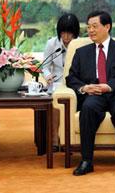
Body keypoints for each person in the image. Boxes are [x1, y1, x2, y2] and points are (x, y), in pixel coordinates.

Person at [66, 11, 115, 176]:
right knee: (88, 108)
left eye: (94, 26)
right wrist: (84, 88)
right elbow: (71, 77)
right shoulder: (81, 52)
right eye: (88, 27)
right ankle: (86, 161)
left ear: (107, 27)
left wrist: (109, 86)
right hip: (94, 94)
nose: (90, 30)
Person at [42, 13, 80, 151]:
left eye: (69, 33)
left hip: (75, 83)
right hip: (56, 83)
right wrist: (47, 76)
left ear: (75, 33)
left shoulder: (81, 44)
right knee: (55, 104)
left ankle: (69, 140)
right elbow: (45, 66)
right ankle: (54, 139)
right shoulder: (52, 43)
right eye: (63, 33)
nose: (66, 37)